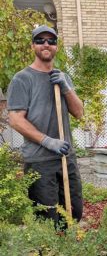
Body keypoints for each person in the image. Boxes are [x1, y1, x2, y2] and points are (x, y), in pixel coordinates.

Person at [7, 25, 84, 226]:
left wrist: (66, 88)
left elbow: (79, 112)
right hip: (39, 160)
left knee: (73, 213)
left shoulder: (63, 77)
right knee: (46, 220)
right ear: (33, 45)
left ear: (56, 46)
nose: (46, 44)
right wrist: (47, 141)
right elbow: (15, 119)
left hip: (66, 157)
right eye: (40, 40)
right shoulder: (22, 79)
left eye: (51, 41)